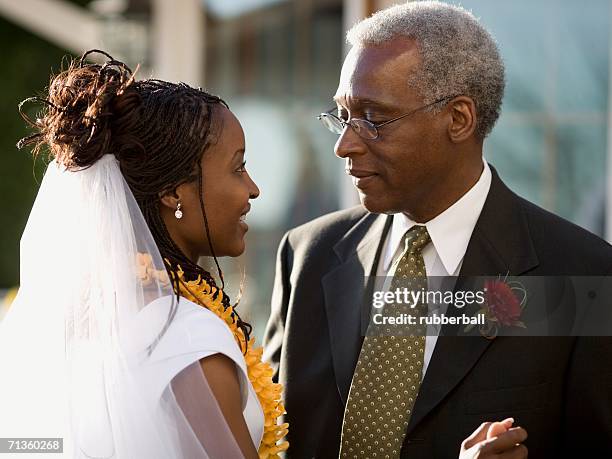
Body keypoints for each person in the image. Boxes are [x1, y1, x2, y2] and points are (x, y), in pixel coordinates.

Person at [263, 2, 612, 458]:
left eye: (372, 118)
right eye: (344, 116)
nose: (344, 145)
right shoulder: (306, 255)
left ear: (459, 119)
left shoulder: (580, 273)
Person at [0, 50, 288, 458]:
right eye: (238, 168)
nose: (253, 188)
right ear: (173, 192)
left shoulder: (80, 322)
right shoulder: (186, 334)